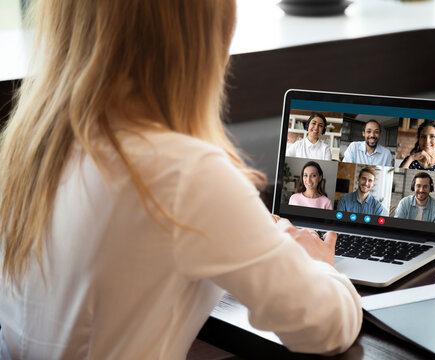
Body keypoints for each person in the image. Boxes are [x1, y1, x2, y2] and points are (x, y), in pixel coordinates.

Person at [0, 1, 362, 358]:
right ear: (200, 38)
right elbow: (325, 326)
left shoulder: (28, 149)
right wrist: (315, 265)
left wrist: (254, 242)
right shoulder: (184, 173)